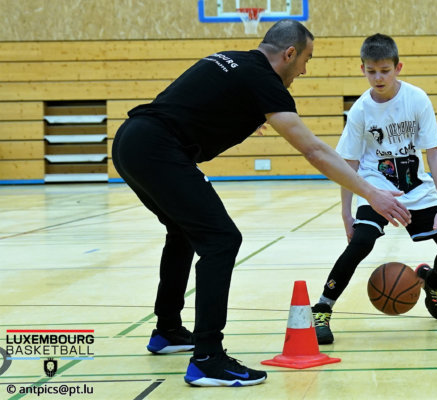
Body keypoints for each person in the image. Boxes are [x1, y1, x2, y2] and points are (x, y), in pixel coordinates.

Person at [111, 21, 411, 387]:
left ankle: (168, 330)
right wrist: (371, 193)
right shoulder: (264, 81)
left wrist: (242, 114)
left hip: (131, 141)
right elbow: (314, 151)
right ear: (289, 53)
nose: (304, 70)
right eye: (306, 60)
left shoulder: (233, 60)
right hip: (157, 149)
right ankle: (207, 358)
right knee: (221, 240)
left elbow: (196, 102)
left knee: (184, 232)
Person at [311, 33, 437, 345]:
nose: (378, 77)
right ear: (362, 69)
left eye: (384, 70)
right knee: (361, 243)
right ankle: (322, 309)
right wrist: (346, 213)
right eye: (371, 71)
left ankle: (433, 283)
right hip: (377, 187)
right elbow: (349, 163)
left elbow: (434, 154)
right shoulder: (360, 111)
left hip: (416, 188)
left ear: (398, 68)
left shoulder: (417, 99)